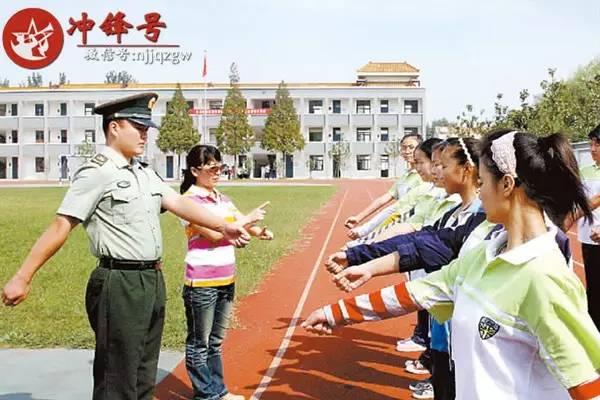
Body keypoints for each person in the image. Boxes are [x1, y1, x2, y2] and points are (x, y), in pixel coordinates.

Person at [304, 130, 600, 399]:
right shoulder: (485, 251)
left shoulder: (544, 276)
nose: (480, 192)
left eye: (482, 182)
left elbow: (586, 381)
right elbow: (423, 290)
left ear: (507, 184)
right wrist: (337, 313)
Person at [1, 93, 256, 400]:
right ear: (114, 128)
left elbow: (176, 202)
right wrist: (23, 276)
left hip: (151, 279)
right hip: (118, 282)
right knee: (117, 377)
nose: (145, 134)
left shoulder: (144, 172)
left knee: (145, 372)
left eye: (147, 127)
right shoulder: (97, 171)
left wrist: (224, 226)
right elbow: (61, 225)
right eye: (138, 127)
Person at [179, 144, 274, 400]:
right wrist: (248, 221)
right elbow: (212, 234)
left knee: (215, 342)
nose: (218, 172)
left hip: (226, 278)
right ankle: (207, 395)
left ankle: (217, 392)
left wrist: (260, 231)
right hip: (201, 282)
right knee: (200, 344)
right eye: (213, 168)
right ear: (195, 170)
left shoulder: (221, 198)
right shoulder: (187, 202)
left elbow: (237, 221)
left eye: (221, 166)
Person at [344, 133, 427, 239]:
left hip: (412, 226)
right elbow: (385, 198)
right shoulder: (405, 176)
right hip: (397, 221)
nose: (407, 151)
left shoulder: (425, 176)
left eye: (411, 147)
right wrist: (359, 217)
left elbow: (396, 208)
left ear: (420, 149)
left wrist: (365, 230)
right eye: (403, 148)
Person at [577, 124, 600, 330]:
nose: (593, 149)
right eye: (591, 143)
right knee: (593, 290)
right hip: (588, 239)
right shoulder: (584, 171)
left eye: (597, 144)